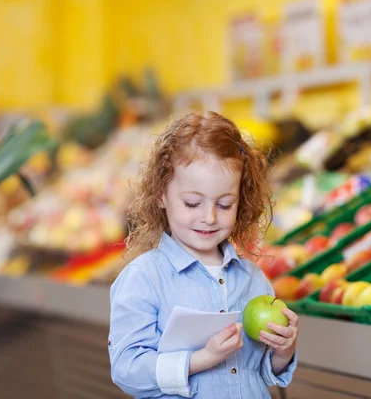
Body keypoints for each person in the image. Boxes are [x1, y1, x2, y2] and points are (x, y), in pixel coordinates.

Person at [109, 111, 298, 398]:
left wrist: (284, 349)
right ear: (161, 194)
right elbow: (127, 370)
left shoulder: (252, 279)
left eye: (224, 205)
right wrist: (200, 359)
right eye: (192, 203)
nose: (209, 217)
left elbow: (262, 369)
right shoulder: (144, 278)